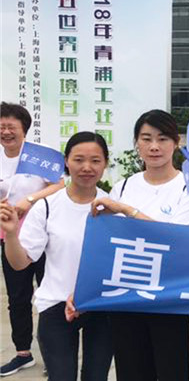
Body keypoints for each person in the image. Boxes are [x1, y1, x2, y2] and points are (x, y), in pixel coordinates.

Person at [90, 109, 189, 381]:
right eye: (146, 138)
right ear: (137, 143)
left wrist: (127, 211)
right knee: (131, 372)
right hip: (127, 297)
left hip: (170, 297)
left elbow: (174, 239)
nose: (154, 146)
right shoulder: (123, 187)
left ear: (176, 143)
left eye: (163, 139)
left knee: (173, 373)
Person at [0, 132, 113, 380]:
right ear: (66, 162)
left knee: (96, 376)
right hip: (56, 305)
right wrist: (11, 234)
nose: (86, 167)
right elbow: (20, 263)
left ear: (105, 163)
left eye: (95, 160)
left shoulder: (114, 206)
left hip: (101, 305)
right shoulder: (47, 205)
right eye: (79, 159)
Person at [0, 102, 64, 376]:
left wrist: (30, 199)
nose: (6, 132)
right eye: (1, 127)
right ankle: (22, 353)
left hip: (43, 234)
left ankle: (55, 354)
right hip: (10, 236)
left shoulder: (39, 155)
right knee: (18, 296)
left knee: (49, 294)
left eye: (11, 127)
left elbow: (60, 184)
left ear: (24, 129)